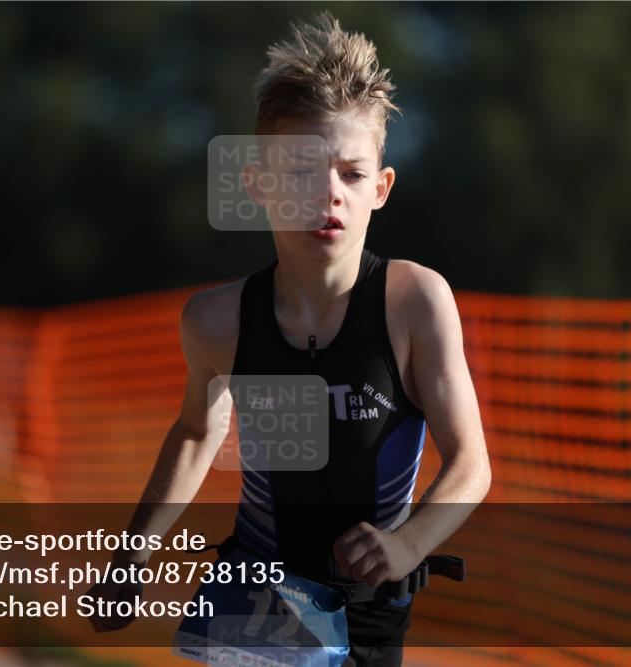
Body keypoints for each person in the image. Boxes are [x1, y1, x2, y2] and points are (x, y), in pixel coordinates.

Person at [89, 11, 491, 666]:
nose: (328, 193)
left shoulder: (415, 304)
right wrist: (132, 554)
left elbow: (471, 462)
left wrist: (409, 543)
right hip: (251, 599)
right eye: (302, 172)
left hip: (366, 611)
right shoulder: (218, 321)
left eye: (351, 174)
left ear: (381, 188)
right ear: (258, 184)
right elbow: (197, 431)